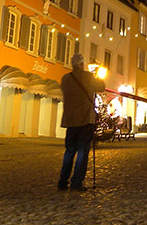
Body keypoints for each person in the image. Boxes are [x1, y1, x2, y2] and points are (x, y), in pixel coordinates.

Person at [58, 53, 105, 191]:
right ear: (82, 64)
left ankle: (62, 182)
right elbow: (101, 87)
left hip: (71, 119)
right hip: (85, 119)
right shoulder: (88, 77)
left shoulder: (65, 78)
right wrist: (97, 76)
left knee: (69, 151)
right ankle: (76, 182)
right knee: (82, 151)